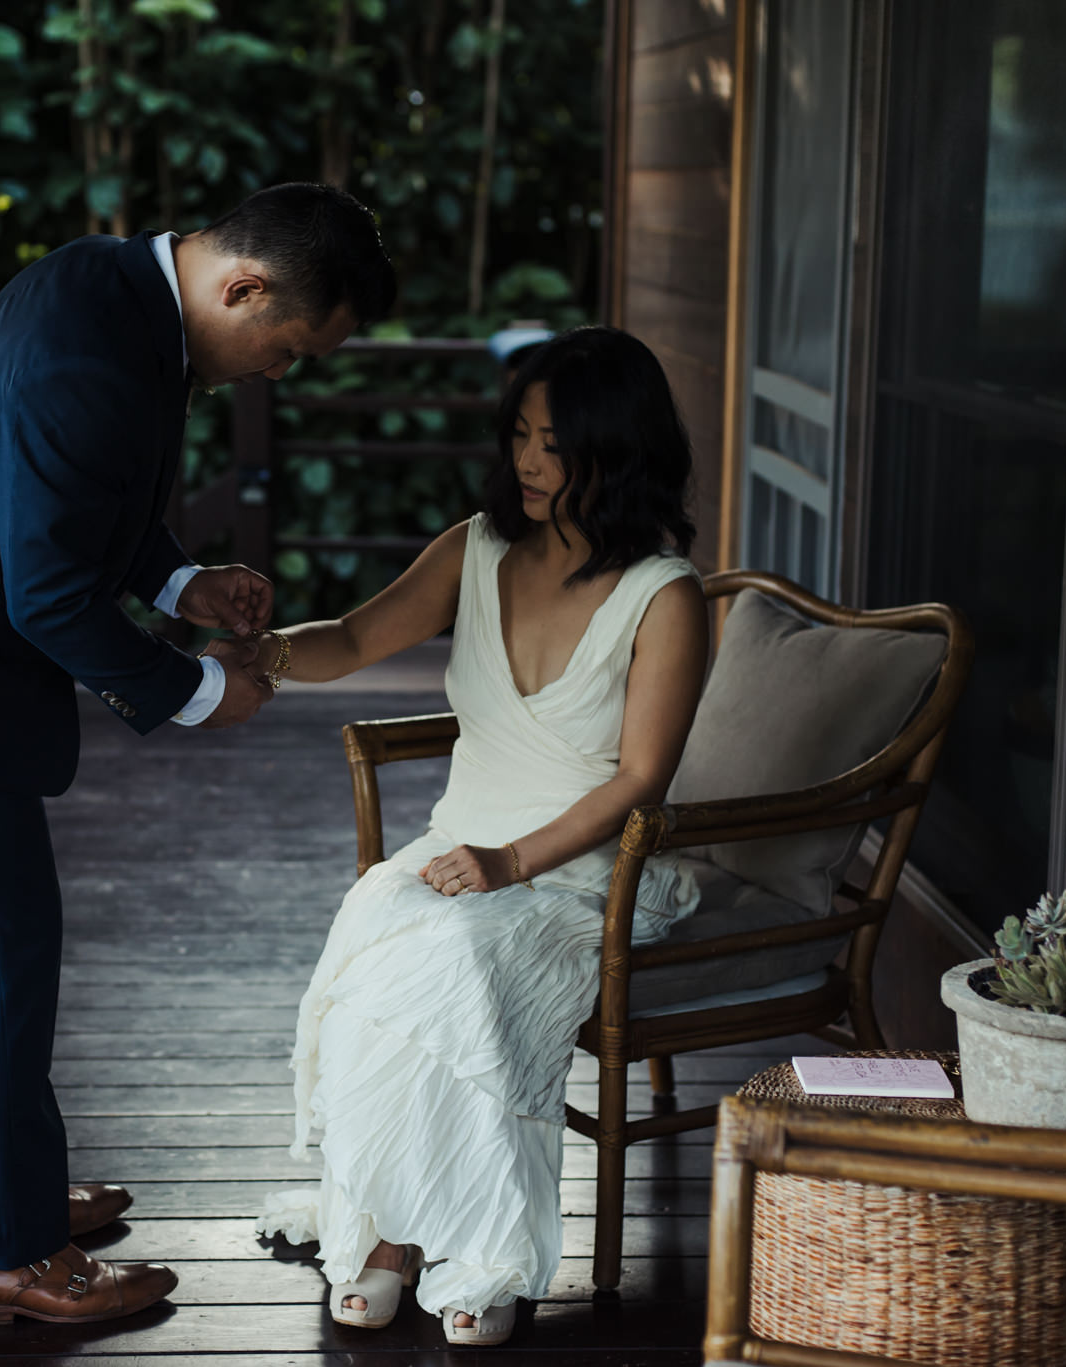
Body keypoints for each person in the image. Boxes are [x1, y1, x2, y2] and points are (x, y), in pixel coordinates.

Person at [0, 184, 397, 1328]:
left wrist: (174, 581)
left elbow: (74, 494)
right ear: (242, 287)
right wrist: (202, 689)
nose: (279, 371)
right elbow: (47, 589)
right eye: (288, 346)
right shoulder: (91, 350)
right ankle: (1, 1252)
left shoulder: (114, 291)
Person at [234, 325, 710, 1346]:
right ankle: (392, 1234)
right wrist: (255, 654)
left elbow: (640, 777)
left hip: (582, 872)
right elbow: (358, 636)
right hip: (460, 849)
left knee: (455, 956)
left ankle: (485, 1248)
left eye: (553, 442)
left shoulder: (663, 595)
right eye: (520, 436)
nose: (527, 462)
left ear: (615, 447)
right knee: (377, 926)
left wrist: (510, 863)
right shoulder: (477, 545)